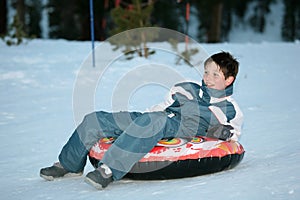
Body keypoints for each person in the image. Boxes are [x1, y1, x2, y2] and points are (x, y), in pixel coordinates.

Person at [40, 51, 243, 189]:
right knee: (97, 119)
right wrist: (138, 119)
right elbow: (160, 108)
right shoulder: (186, 88)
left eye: (215, 75)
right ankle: (69, 164)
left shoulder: (229, 108)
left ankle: (109, 169)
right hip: (158, 118)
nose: (207, 78)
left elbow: (233, 135)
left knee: (155, 121)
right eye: (206, 72)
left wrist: (220, 132)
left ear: (228, 80)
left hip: (181, 129)